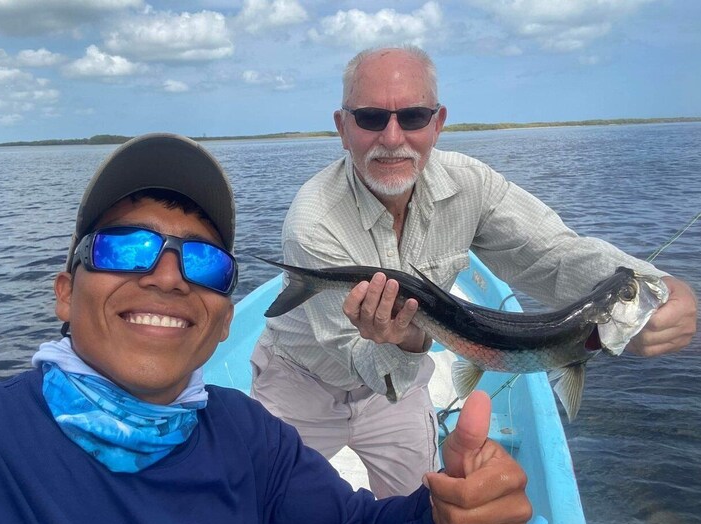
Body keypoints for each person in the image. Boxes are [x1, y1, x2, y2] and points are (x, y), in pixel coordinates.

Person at [0, 132, 532, 524]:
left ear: (222, 323)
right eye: (124, 247)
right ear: (64, 292)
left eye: (203, 261)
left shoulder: (249, 440)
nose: (167, 276)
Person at [250, 46, 698, 499]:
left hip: (397, 391)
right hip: (301, 383)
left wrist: (658, 286)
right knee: (269, 509)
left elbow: (555, 254)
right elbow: (363, 361)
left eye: (413, 116)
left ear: (438, 123)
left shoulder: (472, 184)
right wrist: (409, 340)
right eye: (369, 118)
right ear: (342, 128)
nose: (391, 136)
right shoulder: (313, 223)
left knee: (418, 516)